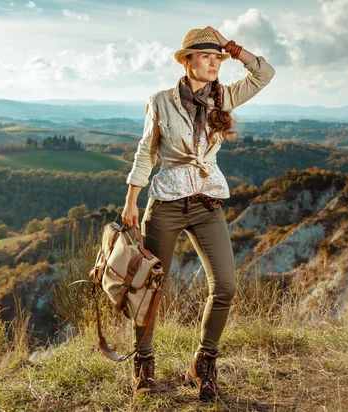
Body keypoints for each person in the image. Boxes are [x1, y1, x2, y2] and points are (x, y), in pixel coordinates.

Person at [121, 26, 275, 400]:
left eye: (217, 58)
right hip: (167, 205)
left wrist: (230, 46)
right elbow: (147, 152)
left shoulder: (224, 97)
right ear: (186, 61)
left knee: (225, 285)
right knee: (149, 288)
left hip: (207, 203)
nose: (214, 63)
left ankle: (203, 363)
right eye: (206, 56)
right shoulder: (160, 101)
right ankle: (143, 364)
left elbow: (264, 74)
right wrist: (131, 200)